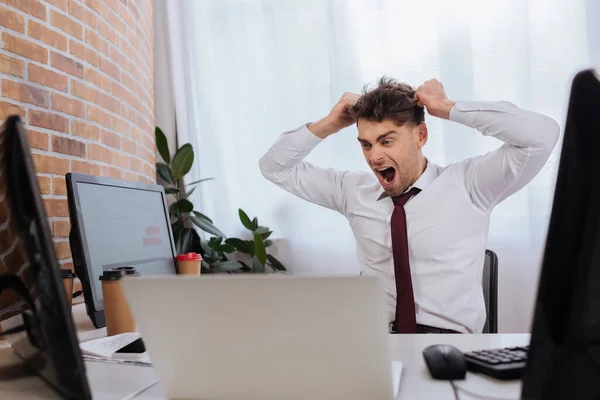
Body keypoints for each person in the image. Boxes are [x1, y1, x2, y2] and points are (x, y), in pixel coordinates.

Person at [259, 78, 559, 333]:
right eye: (366, 144)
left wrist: (448, 108)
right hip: (376, 342)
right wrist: (328, 124)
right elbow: (275, 167)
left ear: (421, 136)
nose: (374, 156)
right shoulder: (352, 191)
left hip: (453, 344)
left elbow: (542, 136)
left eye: (386, 141)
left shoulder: (470, 184)